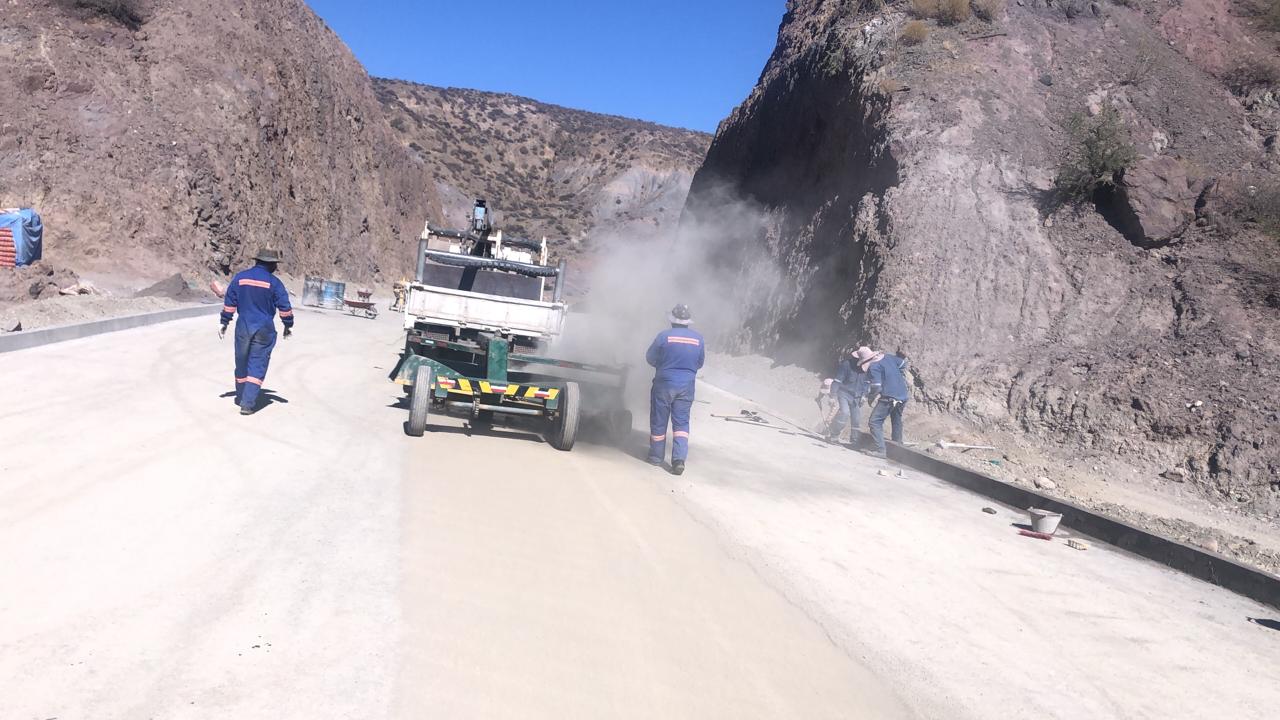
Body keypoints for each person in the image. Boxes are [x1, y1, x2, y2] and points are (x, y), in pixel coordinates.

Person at [220, 249, 294, 415]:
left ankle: (241, 396)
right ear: (272, 265)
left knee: (241, 362)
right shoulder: (274, 283)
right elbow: (285, 307)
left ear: (257, 261)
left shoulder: (240, 278)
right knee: (257, 364)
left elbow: (230, 302)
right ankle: (247, 404)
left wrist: (224, 322)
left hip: (243, 326)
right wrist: (288, 325)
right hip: (264, 328)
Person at [645, 303, 705, 475]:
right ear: (688, 322)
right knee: (681, 423)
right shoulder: (698, 339)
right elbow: (700, 363)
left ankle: (656, 457)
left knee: (659, 420)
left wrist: (663, 366)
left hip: (664, 384)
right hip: (686, 386)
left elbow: (650, 357)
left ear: (672, 320)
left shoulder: (664, 336)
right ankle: (679, 460)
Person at [863, 349, 910, 458]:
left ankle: (880, 450)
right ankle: (897, 448)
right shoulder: (888, 357)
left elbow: (876, 387)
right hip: (903, 394)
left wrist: (870, 398)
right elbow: (903, 364)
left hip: (889, 396)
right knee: (896, 419)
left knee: (874, 422)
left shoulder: (874, 366)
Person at [826, 346, 871, 444]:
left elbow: (867, 383)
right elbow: (837, 381)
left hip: (857, 397)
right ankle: (833, 435)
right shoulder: (846, 365)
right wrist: (832, 396)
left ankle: (854, 441)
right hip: (844, 394)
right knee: (844, 413)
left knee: (856, 419)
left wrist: (864, 395)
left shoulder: (868, 368)